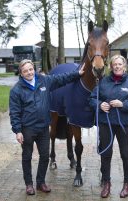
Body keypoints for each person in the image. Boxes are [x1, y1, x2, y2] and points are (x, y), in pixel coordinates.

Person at [9, 59, 84, 195]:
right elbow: (14, 112)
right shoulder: (16, 90)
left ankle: (40, 182)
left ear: (34, 69)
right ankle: (29, 184)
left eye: (31, 69)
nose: (29, 72)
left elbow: (62, 79)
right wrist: (18, 130)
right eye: (25, 71)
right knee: (27, 156)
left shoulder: (44, 81)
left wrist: (78, 73)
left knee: (44, 156)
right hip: (27, 128)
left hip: (43, 127)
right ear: (21, 73)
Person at [89, 55, 128, 198]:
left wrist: (123, 105)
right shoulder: (103, 82)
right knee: (106, 153)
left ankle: (127, 184)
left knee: (125, 154)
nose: (117, 66)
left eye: (120, 64)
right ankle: (106, 183)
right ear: (111, 67)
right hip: (105, 122)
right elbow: (92, 98)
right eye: (115, 64)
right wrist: (100, 105)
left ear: (124, 66)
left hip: (123, 124)